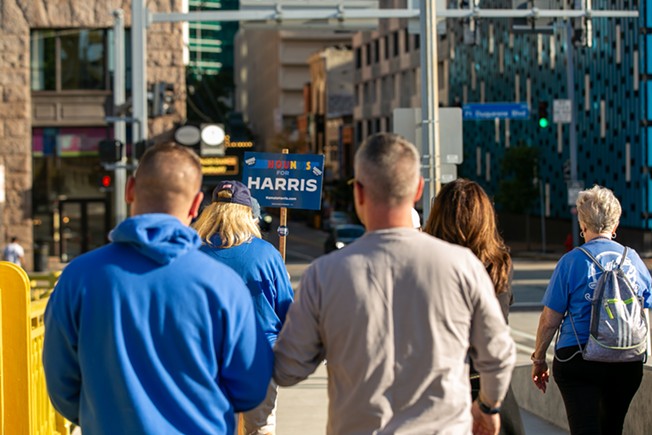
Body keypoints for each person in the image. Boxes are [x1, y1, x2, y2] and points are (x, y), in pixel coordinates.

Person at [273, 132, 516, 435]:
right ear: (418, 189)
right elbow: (498, 353)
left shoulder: (323, 275)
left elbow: (287, 368)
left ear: (359, 193)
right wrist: (488, 407)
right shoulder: (462, 266)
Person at [42, 143, 272, 434]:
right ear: (195, 203)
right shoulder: (223, 285)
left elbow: (61, 382)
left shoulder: (79, 278)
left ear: (129, 189)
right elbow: (251, 386)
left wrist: (104, 415)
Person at [531, 185, 652, 434]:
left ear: (582, 224)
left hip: (578, 358)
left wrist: (539, 359)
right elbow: (645, 309)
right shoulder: (634, 260)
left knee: (584, 427)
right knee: (612, 427)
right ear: (615, 225)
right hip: (627, 360)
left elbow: (549, 321)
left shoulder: (572, 261)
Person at [424, 178, 525, 435]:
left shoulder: (424, 262)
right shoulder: (499, 263)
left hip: (439, 387)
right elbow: (495, 332)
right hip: (488, 386)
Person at [192, 180, 294, 435]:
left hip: (207, 358)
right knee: (259, 428)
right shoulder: (266, 255)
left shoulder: (192, 254)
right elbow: (288, 312)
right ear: (247, 214)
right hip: (258, 356)